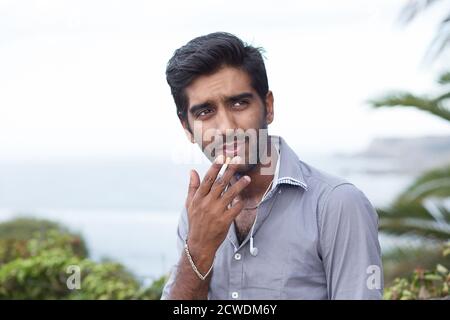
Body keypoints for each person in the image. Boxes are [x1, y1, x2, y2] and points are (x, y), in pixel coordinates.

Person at [161, 32, 383, 300]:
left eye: (239, 103)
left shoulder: (337, 204)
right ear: (187, 127)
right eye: (205, 112)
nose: (228, 127)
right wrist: (198, 248)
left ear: (268, 106)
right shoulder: (197, 213)